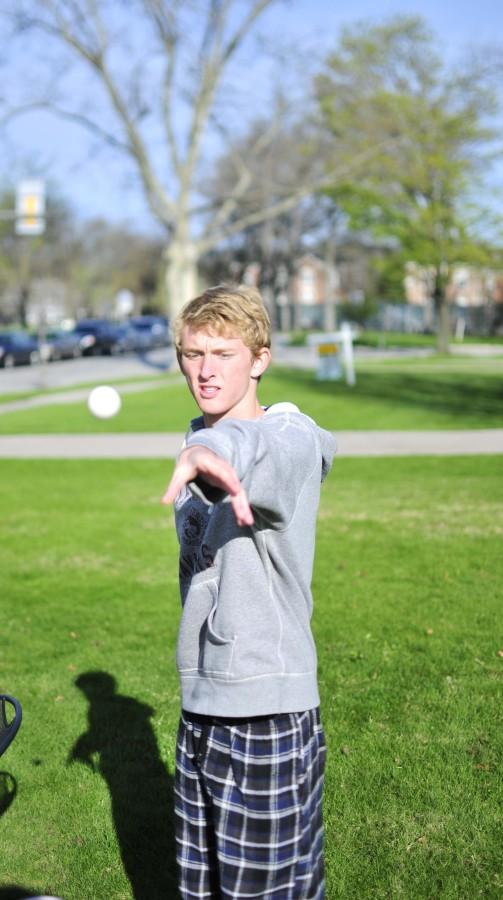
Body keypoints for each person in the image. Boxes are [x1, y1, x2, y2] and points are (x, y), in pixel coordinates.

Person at [162, 284, 336, 899]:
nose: (204, 371)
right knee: (201, 888)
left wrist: (211, 449)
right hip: (204, 703)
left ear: (260, 358)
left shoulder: (288, 439)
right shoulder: (200, 440)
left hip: (265, 711)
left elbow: (261, 448)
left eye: (223, 354)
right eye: (191, 353)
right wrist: (203, 447)